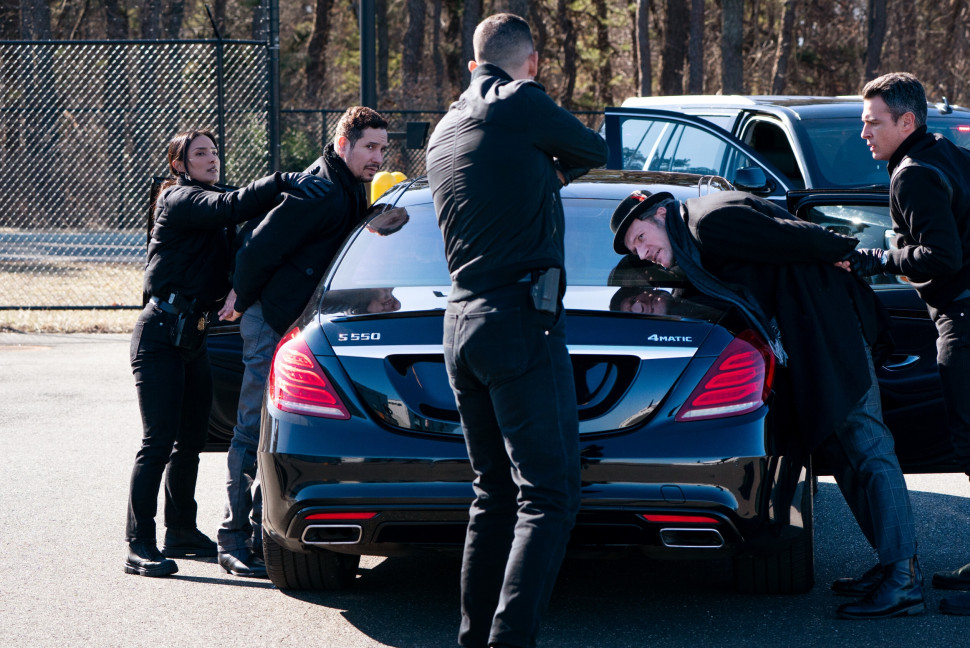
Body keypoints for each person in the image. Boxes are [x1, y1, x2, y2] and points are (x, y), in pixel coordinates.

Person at [609, 189, 924, 620]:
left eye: (641, 238)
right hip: (810, 335)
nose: (643, 253)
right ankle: (892, 565)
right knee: (844, 452)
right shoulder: (695, 237)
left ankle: (904, 581)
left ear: (661, 214)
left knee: (868, 447)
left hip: (831, 329)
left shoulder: (710, 222)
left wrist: (848, 254)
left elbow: (799, 235)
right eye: (635, 251)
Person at [424, 13, 608, 648]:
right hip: (520, 321)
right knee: (550, 496)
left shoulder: (445, 127)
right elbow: (594, 150)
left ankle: (474, 638)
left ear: (471, 64)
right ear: (530, 62)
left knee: (493, 497)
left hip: (460, 322)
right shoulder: (518, 100)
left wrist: (541, 173)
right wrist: (556, 169)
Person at [852, 72, 970, 616]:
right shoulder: (950, 154)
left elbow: (942, 257)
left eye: (873, 122)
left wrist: (875, 258)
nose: (865, 133)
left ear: (906, 120)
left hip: (968, 319)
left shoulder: (913, 174)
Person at [125, 130, 330, 577]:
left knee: (190, 442)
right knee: (157, 442)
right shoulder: (178, 199)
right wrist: (282, 180)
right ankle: (138, 543)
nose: (211, 158)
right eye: (200, 153)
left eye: (215, 151)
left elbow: (246, 226)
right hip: (159, 335)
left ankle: (181, 530)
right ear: (179, 164)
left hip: (194, 337)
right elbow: (231, 205)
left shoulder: (213, 204)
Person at [217, 106, 389, 578]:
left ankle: (261, 532)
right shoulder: (319, 188)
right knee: (253, 430)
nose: (377, 157)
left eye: (382, 147)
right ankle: (232, 538)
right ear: (343, 144)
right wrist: (240, 296)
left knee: (278, 432)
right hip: (269, 321)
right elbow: (258, 245)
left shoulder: (348, 186)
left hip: (299, 327)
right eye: (369, 147)